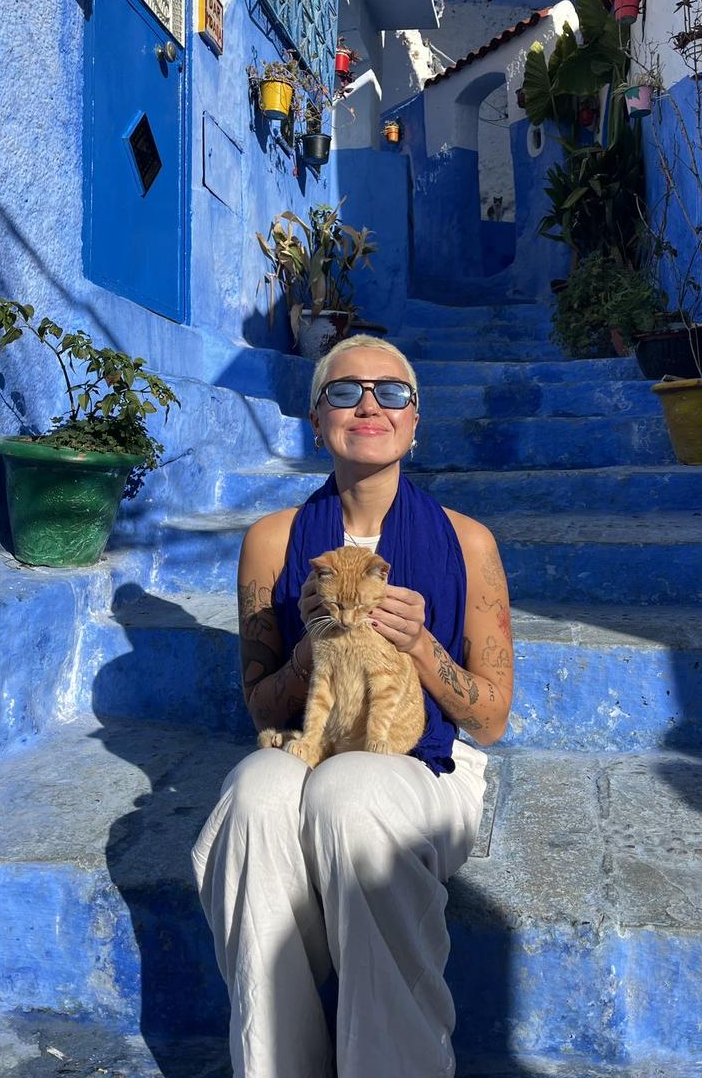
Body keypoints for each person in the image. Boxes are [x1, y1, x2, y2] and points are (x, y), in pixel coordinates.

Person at [192, 335, 513, 1078]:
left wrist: (423, 644)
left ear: (414, 422)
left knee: (352, 791)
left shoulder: (469, 543)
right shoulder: (274, 543)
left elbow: (491, 717)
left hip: (425, 763)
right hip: (314, 740)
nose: (369, 404)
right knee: (253, 794)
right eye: (345, 391)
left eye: (391, 393)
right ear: (316, 418)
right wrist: (310, 650)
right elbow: (261, 706)